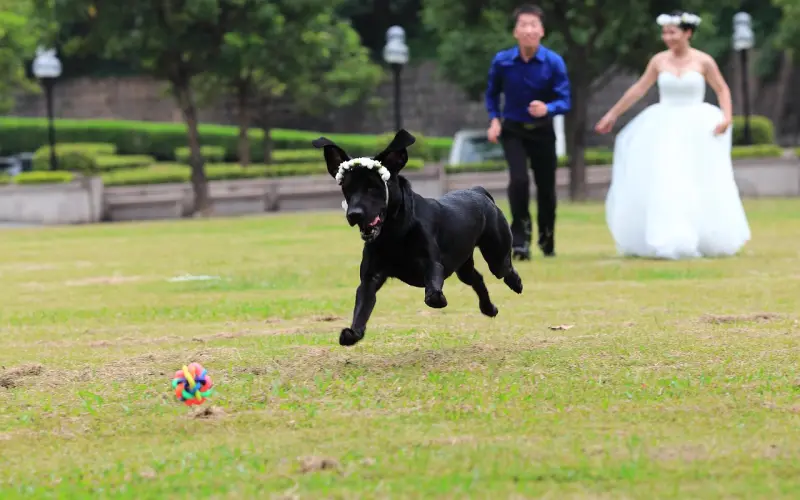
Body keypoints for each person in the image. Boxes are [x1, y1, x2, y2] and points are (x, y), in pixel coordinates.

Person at [595, 11, 751, 260]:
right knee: (667, 178)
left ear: (687, 33)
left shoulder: (703, 61)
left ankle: (708, 235)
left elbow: (722, 89)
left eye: (673, 32)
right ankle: (671, 236)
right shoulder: (659, 61)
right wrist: (613, 114)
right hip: (665, 125)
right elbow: (639, 89)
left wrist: (727, 117)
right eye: (665, 32)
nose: (667, 37)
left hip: (697, 126)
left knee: (698, 178)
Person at [485, 4, 571, 260]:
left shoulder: (554, 62)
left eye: (534, 25)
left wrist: (548, 107)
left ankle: (547, 238)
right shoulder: (502, 62)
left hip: (543, 131)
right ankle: (519, 240)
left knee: (546, 188)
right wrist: (494, 120)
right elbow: (491, 94)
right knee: (519, 181)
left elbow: (565, 100)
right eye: (524, 25)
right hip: (513, 130)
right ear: (516, 31)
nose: (529, 30)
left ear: (542, 31)